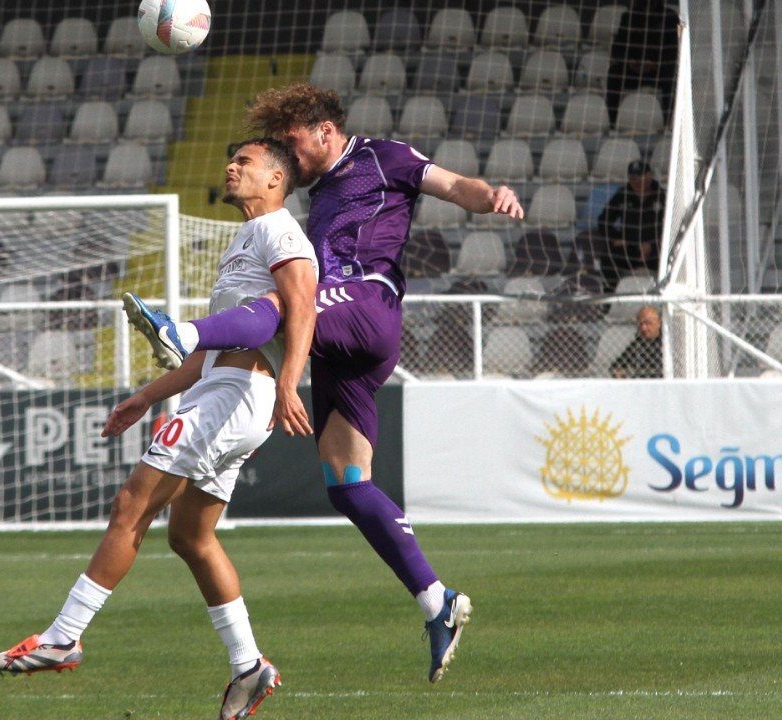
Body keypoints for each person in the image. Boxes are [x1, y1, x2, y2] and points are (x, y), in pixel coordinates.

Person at [123, 83, 525, 683]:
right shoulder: (314, 201)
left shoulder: (384, 157)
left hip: (366, 302)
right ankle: (437, 601)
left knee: (281, 302)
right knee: (346, 483)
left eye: (293, 144)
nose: (289, 157)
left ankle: (184, 332)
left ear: (324, 131)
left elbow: (451, 185)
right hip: (342, 343)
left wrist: (489, 196)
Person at [0, 138, 318, 720]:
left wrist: (291, 383)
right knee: (190, 536)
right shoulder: (244, 239)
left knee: (131, 505)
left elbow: (302, 309)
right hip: (225, 389)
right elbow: (224, 345)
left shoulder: (280, 231)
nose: (231, 166)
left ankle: (64, 636)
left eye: (245, 162)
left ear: (275, 178)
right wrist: (145, 396)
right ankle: (249, 666)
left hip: (237, 396)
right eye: (231, 159)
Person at [595, 160, 666, 290]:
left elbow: (672, 227)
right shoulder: (623, 195)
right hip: (630, 248)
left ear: (649, 175)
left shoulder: (662, 196)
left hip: (656, 251)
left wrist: (653, 245)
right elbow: (603, 220)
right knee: (608, 258)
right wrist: (615, 238)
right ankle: (609, 301)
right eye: (633, 178)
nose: (637, 182)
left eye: (641, 177)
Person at [607, 0, 680, 117]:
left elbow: (673, 50)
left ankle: (668, 120)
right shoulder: (628, 17)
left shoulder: (670, 17)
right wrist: (628, 61)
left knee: (670, 76)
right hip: (632, 70)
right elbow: (617, 48)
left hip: (657, 71)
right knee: (614, 73)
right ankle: (612, 119)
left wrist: (654, 64)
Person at [610, 305, 663, 378]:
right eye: (640, 324)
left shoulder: (667, 343)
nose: (643, 328)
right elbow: (617, 366)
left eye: (648, 323)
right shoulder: (638, 344)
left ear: (659, 323)